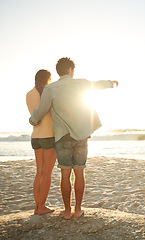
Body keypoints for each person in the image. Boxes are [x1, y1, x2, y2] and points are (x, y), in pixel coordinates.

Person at [29, 57, 118, 219]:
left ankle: (67, 211)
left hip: (62, 137)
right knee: (79, 173)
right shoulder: (81, 83)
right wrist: (111, 83)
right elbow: (97, 84)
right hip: (81, 136)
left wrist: (32, 120)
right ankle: (78, 209)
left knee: (65, 174)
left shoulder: (51, 89)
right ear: (70, 70)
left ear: (58, 72)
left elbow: (40, 111)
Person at [26, 69, 56, 215]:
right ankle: (42, 206)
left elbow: (34, 114)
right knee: (47, 173)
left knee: (39, 172)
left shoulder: (29, 94)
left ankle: (37, 206)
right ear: (48, 79)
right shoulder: (47, 92)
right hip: (49, 135)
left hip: (35, 136)